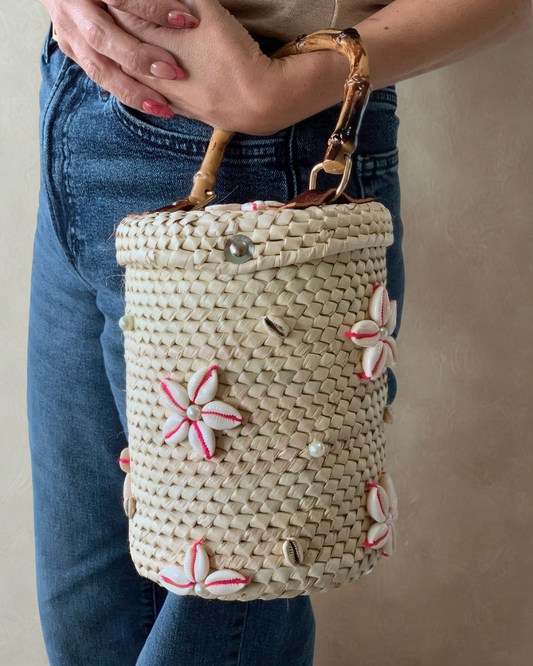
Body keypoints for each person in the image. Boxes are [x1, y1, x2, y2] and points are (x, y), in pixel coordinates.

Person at [30, 1, 531, 665]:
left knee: (219, 609)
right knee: (86, 626)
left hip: (265, 156)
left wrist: (281, 92)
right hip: (78, 104)